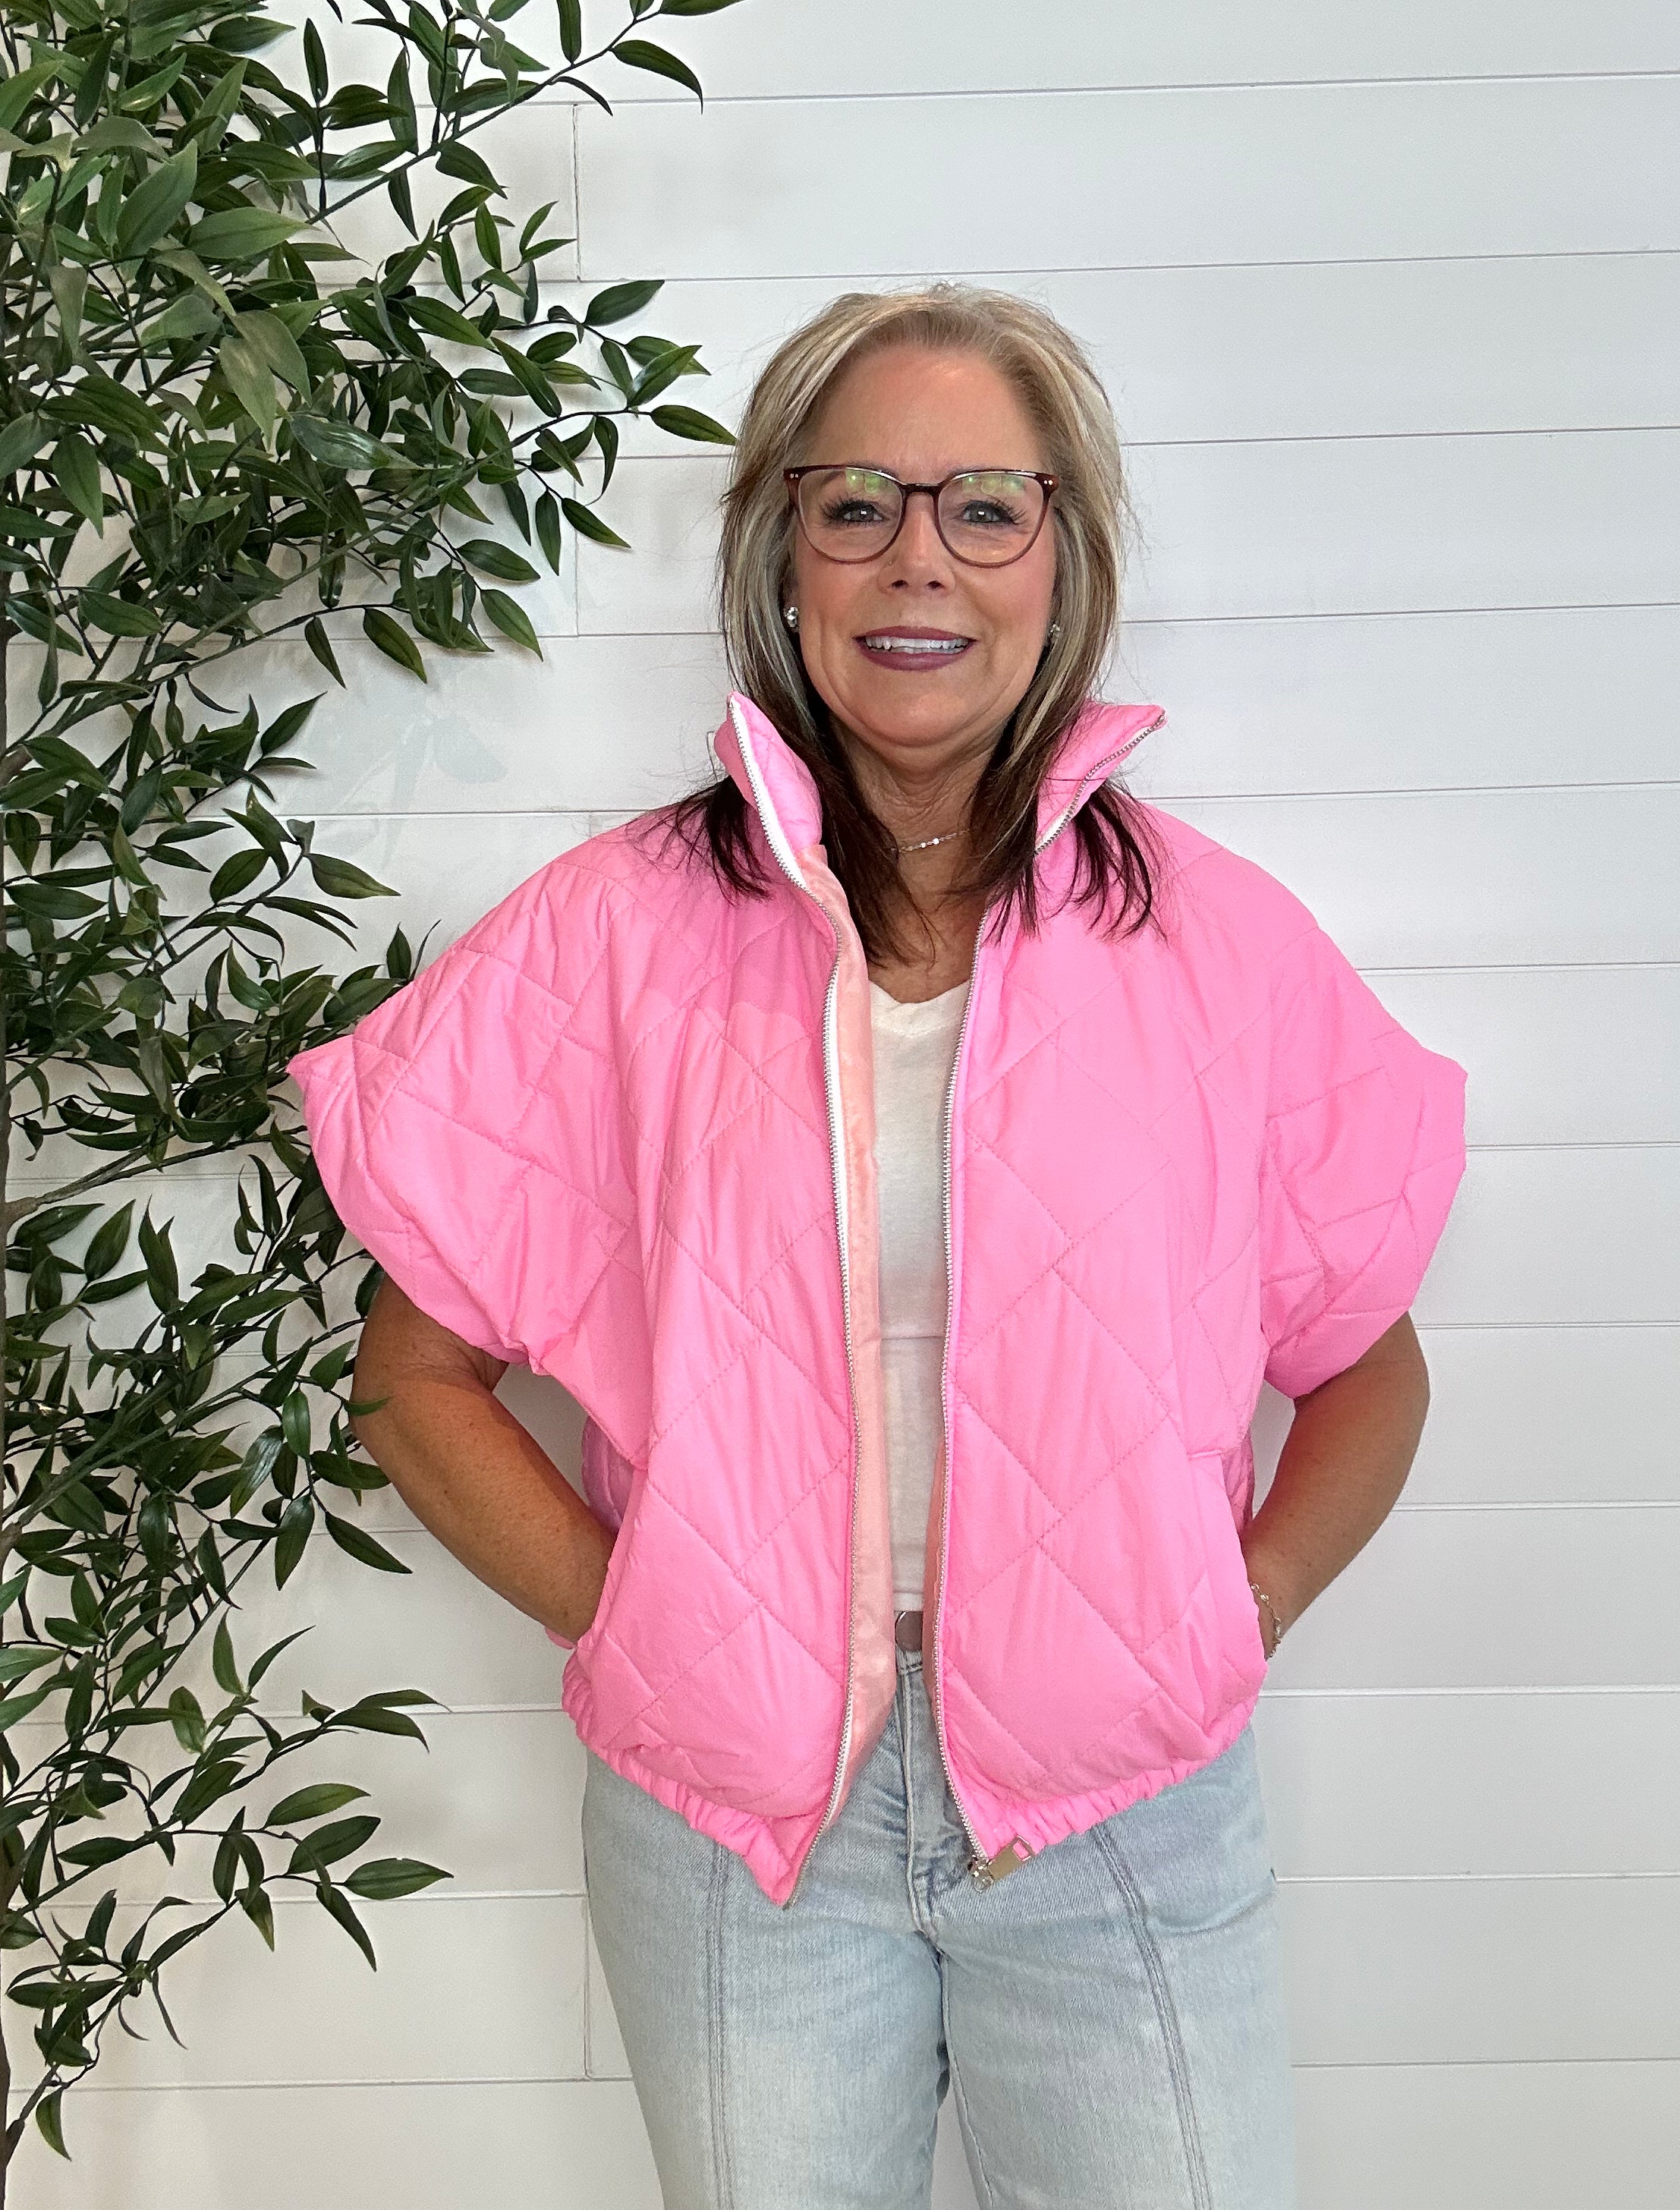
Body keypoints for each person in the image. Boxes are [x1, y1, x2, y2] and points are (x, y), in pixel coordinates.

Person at [287, 281, 1468, 2208]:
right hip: (742, 1832)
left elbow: (1368, 1357)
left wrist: (1228, 1612)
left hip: (1120, 1807)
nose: (920, 557)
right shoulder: (610, 935)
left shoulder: (1219, 946)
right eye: (857, 504)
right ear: (784, 551)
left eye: (985, 505)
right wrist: (635, 1614)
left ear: (1062, 559)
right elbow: (413, 1378)